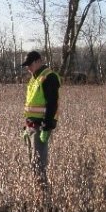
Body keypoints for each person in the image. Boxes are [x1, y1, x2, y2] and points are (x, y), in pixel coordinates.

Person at [21, 51, 61, 187]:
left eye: (29, 64)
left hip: (40, 128)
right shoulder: (34, 79)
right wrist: (26, 127)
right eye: (26, 66)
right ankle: (37, 195)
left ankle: (43, 201)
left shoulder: (49, 77)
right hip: (31, 127)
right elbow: (31, 105)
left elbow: (52, 104)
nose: (28, 68)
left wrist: (46, 126)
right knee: (33, 164)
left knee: (39, 166)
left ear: (38, 61)